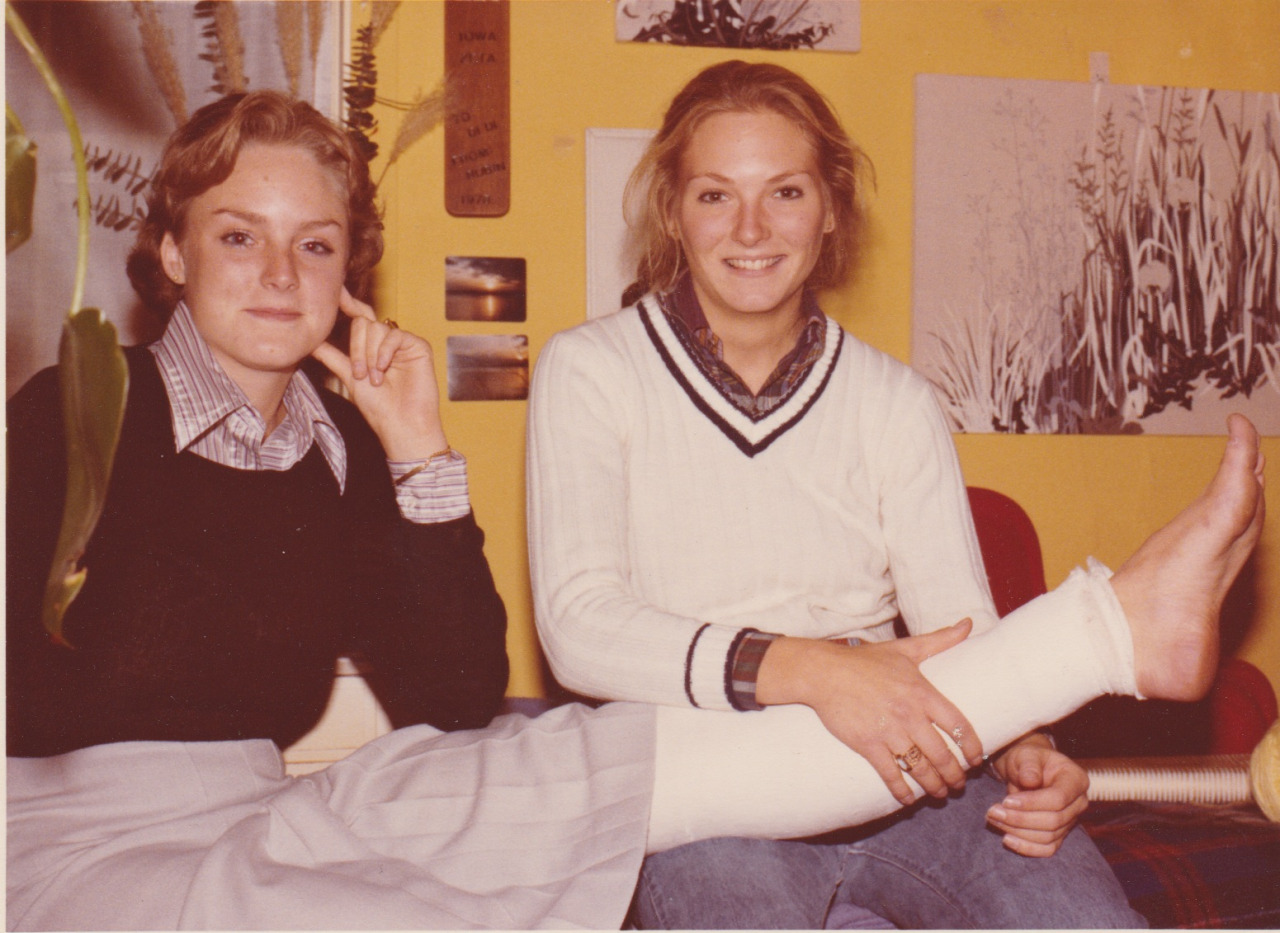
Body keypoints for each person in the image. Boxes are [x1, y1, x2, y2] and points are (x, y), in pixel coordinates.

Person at [6, 89, 1265, 933]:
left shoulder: (335, 442)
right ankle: (1101, 633)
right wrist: (820, 670)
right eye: (239, 238)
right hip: (88, 832)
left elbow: (453, 694)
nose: (283, 274)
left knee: (529, 757)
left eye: (317, 245)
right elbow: (53, 687)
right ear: (170, 252)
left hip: (272, 805)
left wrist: (419, 459)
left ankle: (1096, 641)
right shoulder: (75, 408)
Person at [525, 60, 1267, 929]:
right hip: (713, 793)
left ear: (830, 210)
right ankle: (1115, 626)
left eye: (786, 192)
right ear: (672, 212)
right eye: (716, 195)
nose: (751, 227)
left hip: (916, 768)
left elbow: (961, 626)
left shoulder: (895, 400)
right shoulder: (592, 371)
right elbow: (580, 627)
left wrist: (1027, 746)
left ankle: (1118, 629)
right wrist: (817, 671)